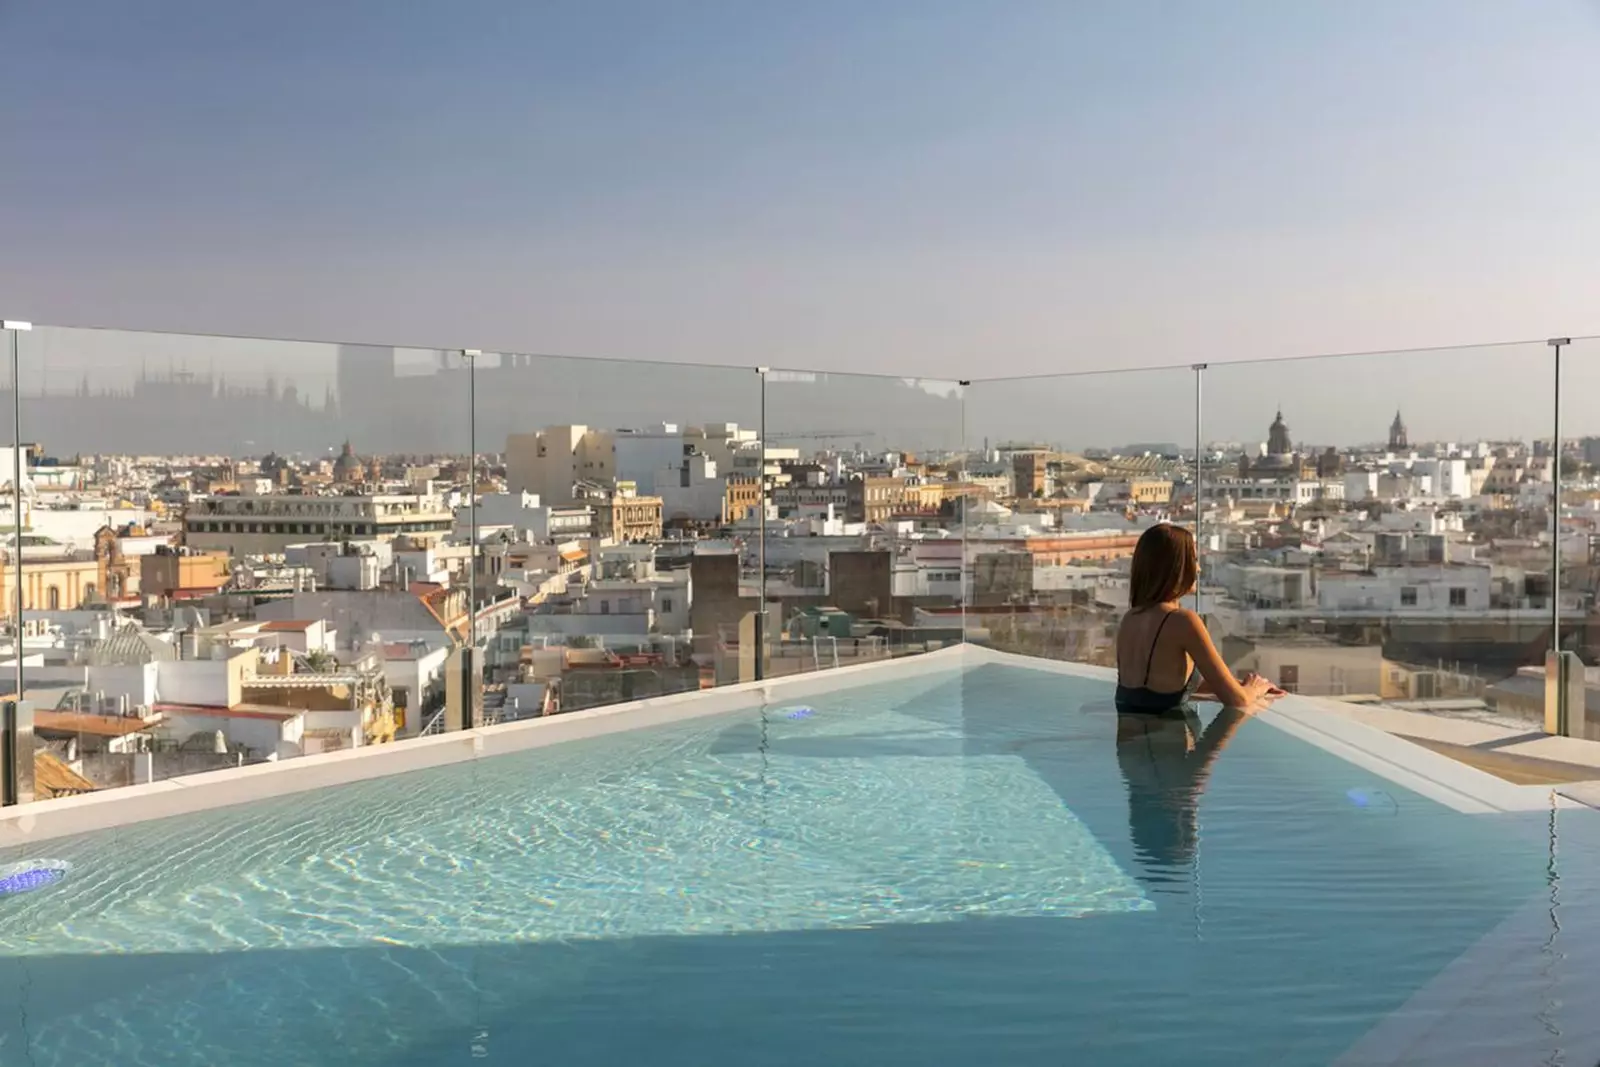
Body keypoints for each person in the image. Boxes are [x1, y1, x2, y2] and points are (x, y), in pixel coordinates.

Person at [1114, 523, 1280, 716]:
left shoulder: (1130, 619)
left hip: (1131, 742)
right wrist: (1257, 687)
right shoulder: (1183, 621)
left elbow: (1161, 686)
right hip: (1170, 742)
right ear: (1176, 567)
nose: (1199, 569)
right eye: (1193, 559)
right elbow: (1238, 700)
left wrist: (1233, 683)